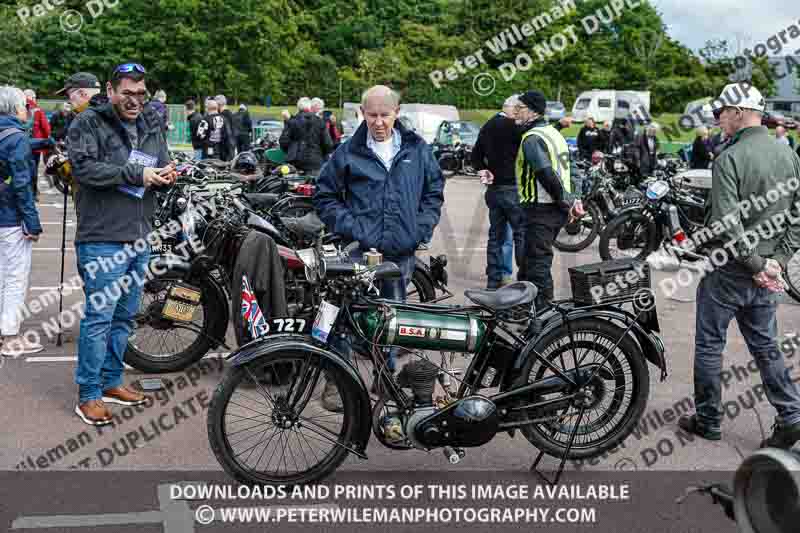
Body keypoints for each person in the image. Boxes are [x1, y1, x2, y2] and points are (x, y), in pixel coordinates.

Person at [678, 83, 800, 449]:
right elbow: (796, 217)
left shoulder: (728, 158)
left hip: (731, 269)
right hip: (765, 272)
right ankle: (792, 415)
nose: (718, 120)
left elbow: (726, 223)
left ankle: (709, 420)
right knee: (765, 346)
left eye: (722, 113)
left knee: (709, 343)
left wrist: (756, 263)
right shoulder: (789, 156)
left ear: (738, 112)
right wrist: (776, 262)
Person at [314, 85, 445, 411]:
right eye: (371, 115)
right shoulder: (349, 151)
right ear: (362, 113)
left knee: (392, 318)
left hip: (400, 254)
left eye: (384, 115)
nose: (378, 122)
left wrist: (420, 228)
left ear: (396, 113)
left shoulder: (417, 149)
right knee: (344, 317)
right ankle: (338, 382)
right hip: (359, 253)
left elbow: (434, 192)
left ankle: (384, 377)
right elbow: (325, 196)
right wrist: (353, 229)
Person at [67, 62, 177, 426]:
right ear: (110, 91)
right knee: (99, 317)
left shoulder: (149, 122)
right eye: (127, 93)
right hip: (102, 237)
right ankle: (89, 395)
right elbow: (84, 170)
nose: (135, 100)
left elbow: (159, 162)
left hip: (139, 234)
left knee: (125, 315)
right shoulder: (87, 122)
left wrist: (166, 172)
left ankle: (112, 381)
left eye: (141, 93)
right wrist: (137, 173)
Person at [515, 91, 581, 310]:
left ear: (533, 111)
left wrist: (566, 202)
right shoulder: (553, 133)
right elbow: (571, 169)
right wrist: (572, 200)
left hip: (541, 209)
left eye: (520, 107)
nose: (516, 111)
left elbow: (546, 174)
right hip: (551, 209)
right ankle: (522, 309)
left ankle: (544, 315)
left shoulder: (533, 138)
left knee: (537, 266)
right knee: (527, 263)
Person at [0, 86, 43, 357]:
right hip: (11, 217)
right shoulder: (16, 137)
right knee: (15, 277)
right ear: (16, 108)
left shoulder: (12, 136)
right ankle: (10, 337)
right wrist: (32, 221)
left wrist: (45, 143)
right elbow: (22, 182)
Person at [471, 94, 526, 289]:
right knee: (521, 233)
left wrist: (483, 170)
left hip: (493, 190)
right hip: (512, 188)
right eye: (519, 109)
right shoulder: (516, 127)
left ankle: (493, 280)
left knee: (496, 236)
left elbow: (475, 155)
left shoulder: (488, 125)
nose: (521, 113)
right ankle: (525, 279)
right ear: (511, 108)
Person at [47, 72, 106, 205]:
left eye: (69, 95)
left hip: (94, 201)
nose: (68, 101)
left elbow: (88, 168)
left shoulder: (86, 118)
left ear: (82, 93)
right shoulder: (112, 112)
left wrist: (63, 167)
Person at [279, 97, 333, 174]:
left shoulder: (291, 121)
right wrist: (320, 153)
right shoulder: (320, 122)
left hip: (294, 161)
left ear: (298, 108)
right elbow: (328, 144)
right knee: (315, 184)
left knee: (291, 184)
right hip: (315, 162)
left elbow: (283, 142)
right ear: (310, 107)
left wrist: (290, 150)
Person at [23, 90, 51, 201]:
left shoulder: (16, 108)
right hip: (35, 146)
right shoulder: (38, 110)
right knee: (33, 169)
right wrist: (47, 143)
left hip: (20, 144)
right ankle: (33, 193)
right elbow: (46, 128)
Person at [215, 94, 237, 159]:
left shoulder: (223, 115)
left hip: (225, 146)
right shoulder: (230, 114)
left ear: (218, 104)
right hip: (231, 144)